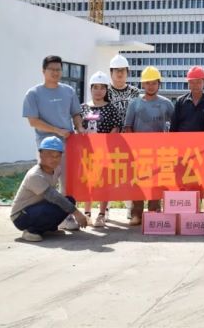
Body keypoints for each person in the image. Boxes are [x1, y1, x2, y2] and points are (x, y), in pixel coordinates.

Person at [22, 55, 85, 230]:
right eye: (52, 69)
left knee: (67, 181)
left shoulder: (68, 91)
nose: (56, 73)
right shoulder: (33, 94)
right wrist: (57, 130)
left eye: (58, 69)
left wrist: (79, 127)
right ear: (43, 71)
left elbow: (76, 113)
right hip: (46, 148)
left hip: (68, 144)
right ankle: (46, 218)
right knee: (47, 183)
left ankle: (65, 217)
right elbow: (33, 121)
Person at [10, 136, 88, 242]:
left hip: (36, 208)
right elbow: (53, 196)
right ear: (40, 154)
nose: (54, 159)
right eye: (50, 155)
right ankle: (31, 231)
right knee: (58, 204)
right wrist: (77, 213)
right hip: (21, 216)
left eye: (57, 156)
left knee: (69, 200)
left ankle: (48, 228)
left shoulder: (56, 169)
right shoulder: (35, 175)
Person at [124, 66, 174, 226]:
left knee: (157, 182)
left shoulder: (167, 104)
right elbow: (128, 127)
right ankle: (136, 214)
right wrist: (133, 147)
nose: (150, 86)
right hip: (139, 152)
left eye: (154, 83)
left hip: (160, 152)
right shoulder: (135, 104)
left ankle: (154, 211)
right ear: (142, 84)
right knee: (138, 182)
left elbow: (174, 127)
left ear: (159, 84)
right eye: (147, 83)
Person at [79, 71, 124, 228]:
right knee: (88, 182)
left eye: (102, 87)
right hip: (87, 153)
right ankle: (87, 213)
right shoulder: (83, 108)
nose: (98, 91)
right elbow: (78, 128)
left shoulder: (111, 108)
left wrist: (104, 144)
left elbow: (116, 127)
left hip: (105, 152)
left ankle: (102, 214)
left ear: (106, 90)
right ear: (90, 88)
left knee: (104, 183)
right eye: (95, 87)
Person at [107, 54, 140, 219]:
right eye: (116, 70)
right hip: (109, 139)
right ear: (111, 72)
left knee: (129, 175)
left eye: (123, 70)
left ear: (127, 72)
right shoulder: (105, 90)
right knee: (108, 175)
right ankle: (105, 209)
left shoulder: (134, 91)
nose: (120, 73)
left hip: (130, 140)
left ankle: (130, 207)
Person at [170, 66, 204, 132]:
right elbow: (174, 125)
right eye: (192, 82)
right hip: (183, 138)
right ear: (188, 83)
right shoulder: (180, 101)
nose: (195, 85)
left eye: (198, 82)